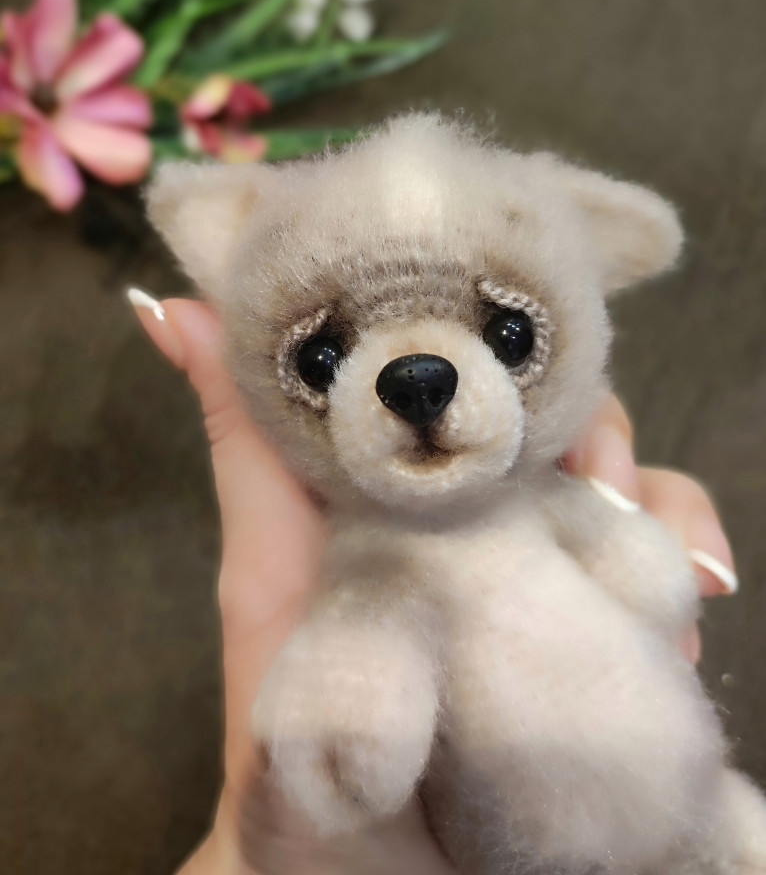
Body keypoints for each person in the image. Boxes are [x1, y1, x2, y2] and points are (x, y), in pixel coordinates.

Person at [128, 290, 739, 875]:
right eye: (324, 362)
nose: (417, 380)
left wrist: (625, 547)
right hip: (525, 843)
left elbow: (652, 582)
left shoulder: (541, 500)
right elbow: (361, 701)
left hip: (693, 784)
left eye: (508, 337)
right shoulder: (373, 560)